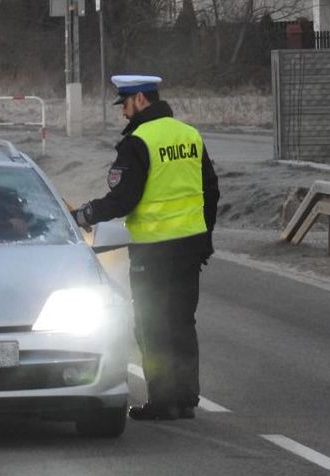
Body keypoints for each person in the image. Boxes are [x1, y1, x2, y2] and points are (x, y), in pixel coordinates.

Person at [71, 75, 219, 422]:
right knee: (182, 322)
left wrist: (84, 214)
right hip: (189, 246)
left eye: (124, 103)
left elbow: (123, 199)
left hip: (153, 250)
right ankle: (185, 399)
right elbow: (210, 192)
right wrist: (204, 237)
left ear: (139, 99)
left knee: (151, 325)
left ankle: (162, 401)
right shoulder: (189, 135)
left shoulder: (138, 141)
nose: (123, 112)